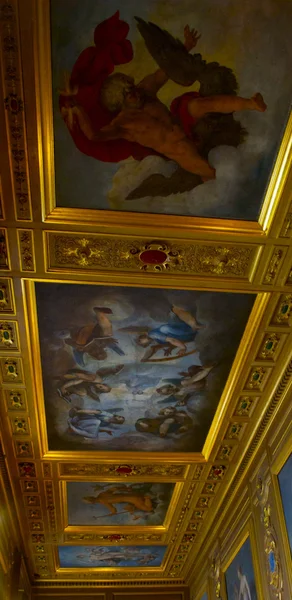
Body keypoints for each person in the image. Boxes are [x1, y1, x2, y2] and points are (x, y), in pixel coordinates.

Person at [62, 20, 266, 180]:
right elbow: (95, 136)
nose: (133, 93)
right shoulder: (124, 123)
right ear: (119, 102)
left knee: (196, 105)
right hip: (175, 146)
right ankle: (218, 178)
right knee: (190, 156)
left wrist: (186, 46)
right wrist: (79, 110)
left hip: (182, 122)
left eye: (131, 87)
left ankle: (251, 103)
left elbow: (166, 70)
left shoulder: (145, 89)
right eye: (127, 94)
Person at [55, 364, 124, 403]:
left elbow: (90, 393)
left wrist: (94, 397)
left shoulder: (92, 386)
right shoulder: (97, 379)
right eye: (103, 385)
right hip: (73, 374)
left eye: (101, 388)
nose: (100, 385)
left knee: (83, 393)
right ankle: (62, 386)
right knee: (90, 379)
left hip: (74, 382)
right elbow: (78, 380)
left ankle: (66, 391)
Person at [82, 485, 154, 518]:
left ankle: (147, 498)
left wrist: (112, 513)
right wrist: (124, 488)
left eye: (91, 502)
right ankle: (146, 497)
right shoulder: (101, 494)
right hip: (130, 494)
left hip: (131, 499)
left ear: (93, 502)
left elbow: (113, 509)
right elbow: (114, 488)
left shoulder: (102, 501)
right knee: (133, 508)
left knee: (148, 509)